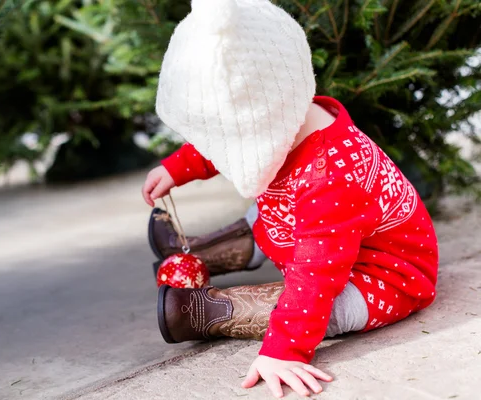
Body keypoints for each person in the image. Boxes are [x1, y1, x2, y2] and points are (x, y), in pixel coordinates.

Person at [141, 0, 439, 397]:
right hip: (313, 235)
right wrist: (177, 168)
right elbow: (224, 139)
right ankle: (193, 251)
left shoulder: (331, 177)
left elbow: (315, 278)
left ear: (260, 124)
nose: (222, 149)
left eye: (226, 140)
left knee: (315, 301)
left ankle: (205, 311)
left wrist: (286, 350)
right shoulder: (287, 113)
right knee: (264, 211)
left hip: (380, 276)